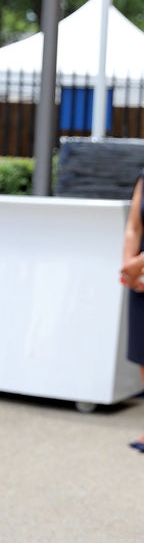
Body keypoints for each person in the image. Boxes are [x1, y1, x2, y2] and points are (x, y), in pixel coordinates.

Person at [120, 168, 144, 449]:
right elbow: (134, 226)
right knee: (142, 350)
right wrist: (129, 265)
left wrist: (136, 264)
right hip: (140, 273)